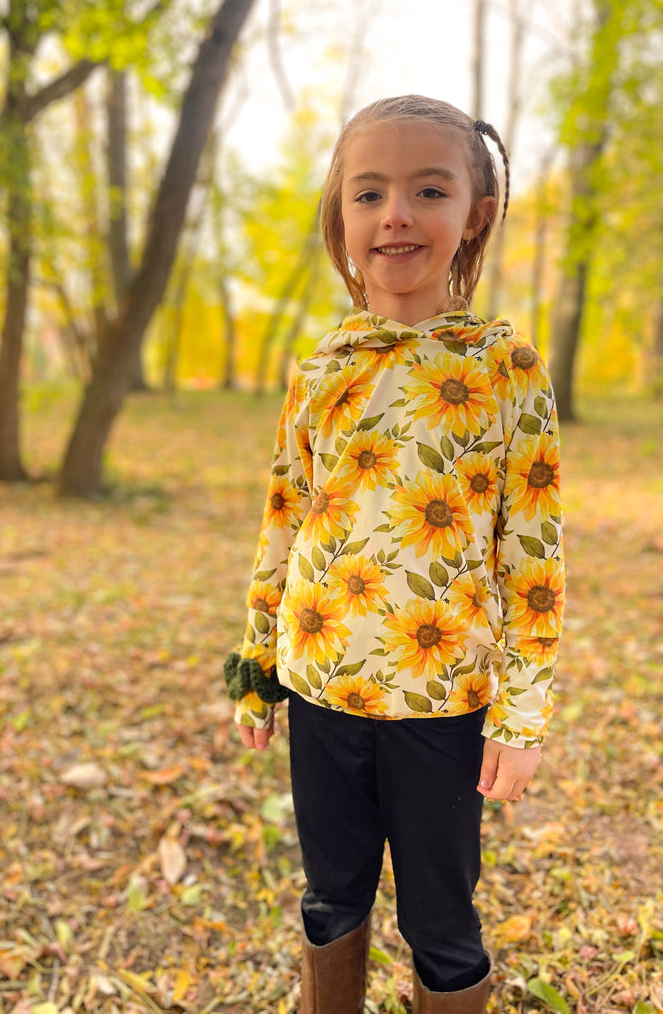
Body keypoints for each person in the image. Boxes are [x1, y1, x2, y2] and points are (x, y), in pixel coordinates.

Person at [224, 95, 564, 1014]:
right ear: (342, 215)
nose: (397, 214)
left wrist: (521, 712)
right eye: (369, 193)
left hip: (442, 702)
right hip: (320, 686)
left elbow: (531, 554)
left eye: (428, 189)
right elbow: (285, 519)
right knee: (331, 897)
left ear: (475, 211)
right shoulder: (322, 367)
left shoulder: (504, 368)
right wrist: (258, 662)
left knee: (441, 921)